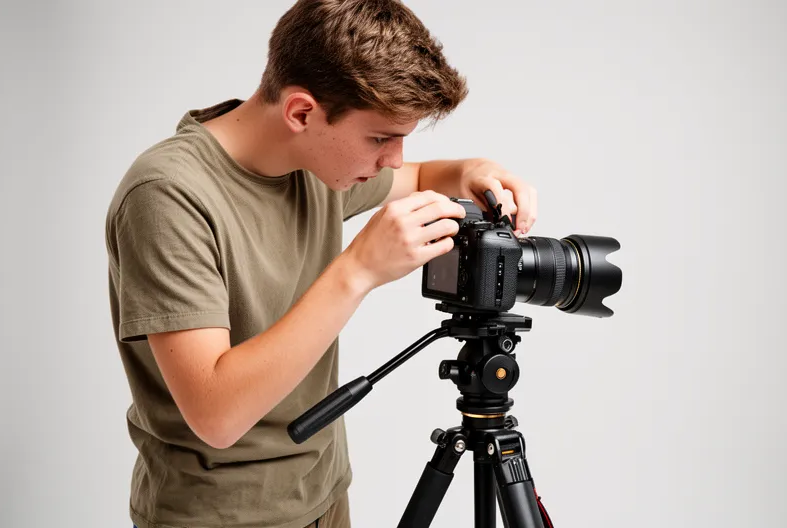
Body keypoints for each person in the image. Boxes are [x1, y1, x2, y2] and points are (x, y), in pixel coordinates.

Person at [104, 1, 538, 527]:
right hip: (221, 514)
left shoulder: (316, 163)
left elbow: (422, 176)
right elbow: (216, 415)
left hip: (324, 493)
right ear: (301, 113)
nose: (394, 159)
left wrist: (473, 168)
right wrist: (357, 272)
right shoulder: (169, 195)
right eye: (380, 138)